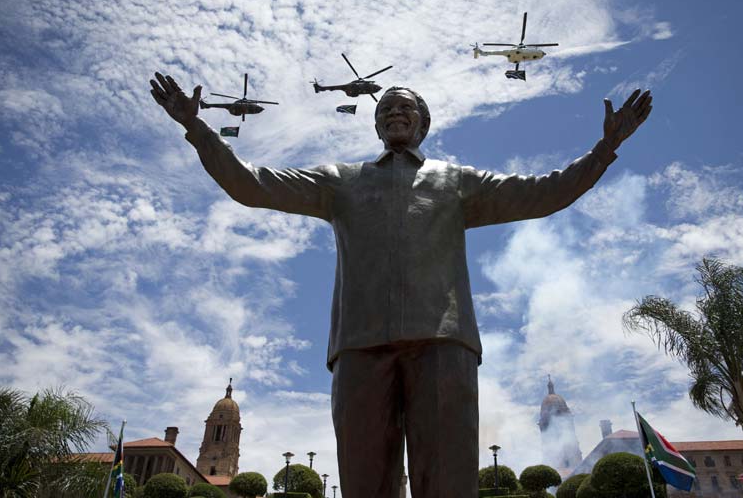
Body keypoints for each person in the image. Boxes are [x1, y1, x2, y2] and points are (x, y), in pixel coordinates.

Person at [149, 73, 653, 497]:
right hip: (360, 346)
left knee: (448, 483)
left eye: (405, 108)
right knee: (365, 484)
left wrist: (604, 149)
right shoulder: (340, 180)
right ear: (375, 123)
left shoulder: (457, 182)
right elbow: (250, 184)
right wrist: (197, 128)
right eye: (386, 108)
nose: (394, 112)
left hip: (443, 345)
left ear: (423, 124)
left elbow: (545, 193)